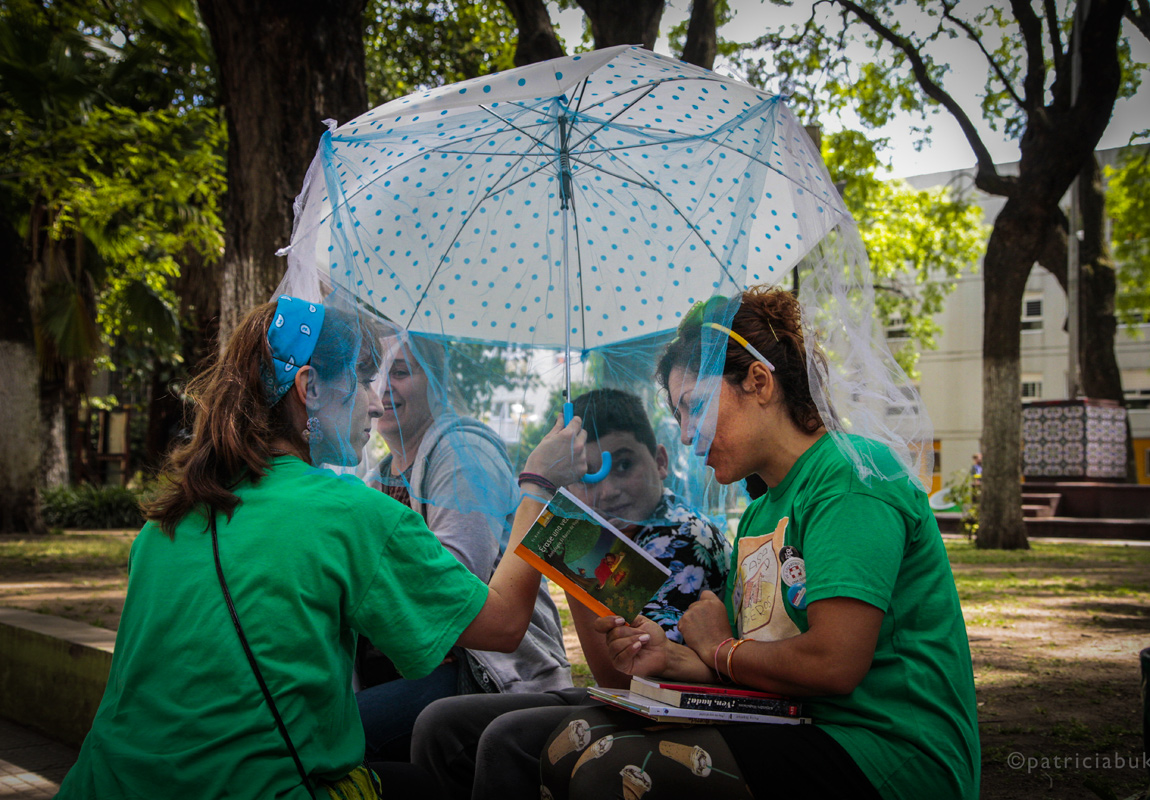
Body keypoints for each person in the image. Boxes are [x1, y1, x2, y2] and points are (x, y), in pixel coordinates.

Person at [54, 295, 589, 800]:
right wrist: (538, 487)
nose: (375, 402)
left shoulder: (164, 523)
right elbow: (504, 623)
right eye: (362, 380)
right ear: (309, 387)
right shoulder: (348, 512)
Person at [540, 286, 980, 800]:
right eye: (679, 416)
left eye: (695, 406)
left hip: (885, 753)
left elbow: (832, 664)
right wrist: (668, 658)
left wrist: (720, 647)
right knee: (566, 744)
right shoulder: (758, 513)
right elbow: (746, 665)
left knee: (609, 769)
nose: (687, 434)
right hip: (792, 726)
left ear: (759, 381)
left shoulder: (851, 477)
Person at [411, 388, 731, 800]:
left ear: (661, 461)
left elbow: (624, 677)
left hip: (668, 709)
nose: (609, 490)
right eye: (590, 475)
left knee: (505, 739)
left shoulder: (681, 536)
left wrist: (574, 536)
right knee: (440, 723)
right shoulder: (620, 531)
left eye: (624, 465)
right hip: (621, 698)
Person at [355, 336, 571, 762]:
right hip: (420, 670)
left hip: (489, 672)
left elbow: (452, 590)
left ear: (436, 381)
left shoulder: (464, 452)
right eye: (373, 375)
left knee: (337, 738)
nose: (383, 388)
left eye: (401, 372)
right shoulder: (377, 479)